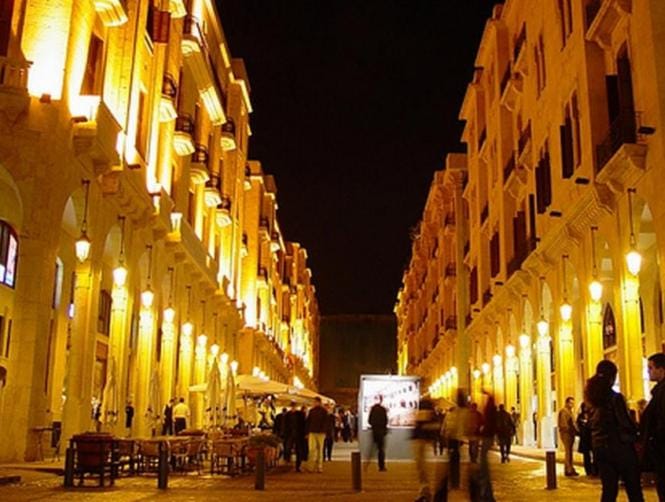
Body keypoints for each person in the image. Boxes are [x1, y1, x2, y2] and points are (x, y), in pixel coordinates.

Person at [585, 360, 644, 502]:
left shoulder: (592, 398)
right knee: (633, 488)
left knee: (609, 490)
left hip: (600, 448)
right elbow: (624, 422)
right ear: (612, 377)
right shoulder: (615, 398)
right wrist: (637, 432)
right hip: (620, 447)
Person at [641, 352, 665, 501]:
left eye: (650, 368)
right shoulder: (658, 391)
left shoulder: (662, 392)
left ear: (661, 370)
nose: (648, 372)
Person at [305, 397, 328, 473]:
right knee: (312, 449)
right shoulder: (312, 411)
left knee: (319, 450)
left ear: (319, 402)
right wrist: (307, 432)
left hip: (320, 433)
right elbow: (308, 422)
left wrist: (324, 431)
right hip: (313, 432)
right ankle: (311, 466)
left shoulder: (323, 411)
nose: (314, 403)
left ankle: (319, 466)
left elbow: (326, 422)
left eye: (315, 402)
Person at [367, 394, 388, 472]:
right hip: (381, 432)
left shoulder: (373, 409)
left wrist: (374, 425)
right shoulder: (383, 409)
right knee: (381, 449)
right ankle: (381, 466)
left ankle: (367, 463)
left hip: (375, 431)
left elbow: (369, 421)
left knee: (372, 448)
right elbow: (386, 421)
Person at [558, 396, 579, 476]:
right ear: (567, 403)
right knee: (568, 452)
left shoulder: (570, 411)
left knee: (570, 452)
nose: (572, 405)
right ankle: (568, 470)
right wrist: (569, 429)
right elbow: (564, 424)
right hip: (566, 434)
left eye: (573, 403)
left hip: (570, 433)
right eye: (570, 403)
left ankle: (570, 468)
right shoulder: (564, 411)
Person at [284, 401, 306, 472]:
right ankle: (288, 462)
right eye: (292, 406)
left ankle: (297, 466)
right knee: (288, 449)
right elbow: (285, 425)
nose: (293, 408)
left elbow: (303, 424)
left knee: (298, 450)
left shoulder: (300, 414)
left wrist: (304, 433)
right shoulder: (287, 415)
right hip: (290, 434)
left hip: (298, 435)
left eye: (294, 406)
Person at [576, 401, 597, 476]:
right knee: (586, 455)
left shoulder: (593, 414)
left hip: (592, 437)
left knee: (595, 454)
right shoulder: (580, 416)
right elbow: (578, 425)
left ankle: (595, 470)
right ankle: (588, 470)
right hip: (585, 438)